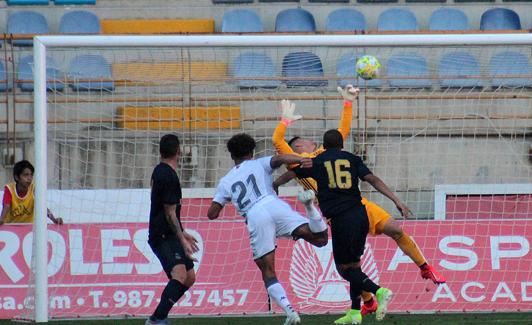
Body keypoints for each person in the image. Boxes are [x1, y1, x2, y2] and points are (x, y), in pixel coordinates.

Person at [272, 89, 446, 316]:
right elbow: (278, 142)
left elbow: (342, 131)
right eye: (301, 142)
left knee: (394, 229)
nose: (307, 141)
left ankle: (425, 267)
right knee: (352, 265)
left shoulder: (327, 153)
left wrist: (347, 103)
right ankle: (368, 301)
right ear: (296, 148)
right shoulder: (299, 162)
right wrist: (285, 121)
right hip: (337, 213)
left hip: (358, 204)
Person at [207, 133, 328, 325]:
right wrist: (303, 158)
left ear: (231, 155)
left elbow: (212, 214)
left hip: (254, 216)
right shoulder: (259, 163)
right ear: (252, 151)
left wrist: (224, 200)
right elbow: (280, 158)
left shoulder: (225, 182)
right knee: (321, 239)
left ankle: (290, 311)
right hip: (274, 205)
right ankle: (309, 206)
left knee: (268, 270)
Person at [292, 129, 394, 325]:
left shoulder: (317, 161)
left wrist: (275, 183)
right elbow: (372, 179)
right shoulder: (351, 159)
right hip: (360, 215)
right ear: (342, 144)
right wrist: (395, 199)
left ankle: (379, 291)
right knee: (354, 264)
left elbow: (292, 171)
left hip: (340, 218)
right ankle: (355, 312)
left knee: (343, 269)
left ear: (324, 144)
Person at [146, 134, 199, 325]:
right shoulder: (167, 175)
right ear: (178, 152)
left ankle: (160, 314)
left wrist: (182, 232)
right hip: (162, 234)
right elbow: (169, 213)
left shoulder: (160, 170)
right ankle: (157, 319)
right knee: (180, 274)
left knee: (189, 277)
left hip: (169, 232)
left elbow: (168, 211)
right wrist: (182, 239)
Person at [0, 160, 62, 225]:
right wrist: (1, 219)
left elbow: (43, 207)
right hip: (11, 227)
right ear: (16, 177)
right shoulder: (9, 189)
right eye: (26, 175)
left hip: (28, 228)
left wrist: (54, 220)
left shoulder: (34, 189)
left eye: (31, 175)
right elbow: (6, 206)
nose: (29, 178)